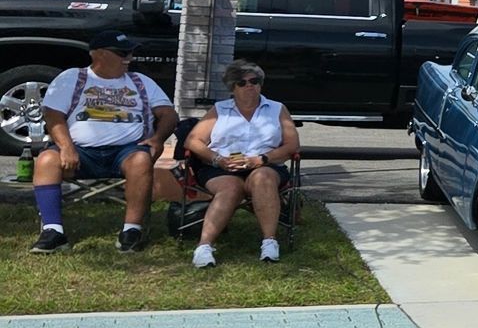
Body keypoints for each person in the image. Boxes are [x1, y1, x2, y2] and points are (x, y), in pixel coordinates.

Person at [30, 30, 177, 253]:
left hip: (126, 151)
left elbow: (169, 114)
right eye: (122, 52)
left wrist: (157, 139)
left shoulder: (141, 82)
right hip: (80, 152)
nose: (129, 58)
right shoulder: (72, 78)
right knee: (46, 159)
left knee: (140, 159)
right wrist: (67, 146)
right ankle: (53, 231)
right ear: (98, 54)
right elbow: (53, 116)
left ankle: (132, 230)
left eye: (130, 52)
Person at [181, 59, 300, 268]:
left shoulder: (277, 109)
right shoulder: (220, 109)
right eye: (242, 83)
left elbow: (292, 144)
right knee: (230, 188)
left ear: (261, 84)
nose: (249, 86)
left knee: (263, 178)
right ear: (232, 87)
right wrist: (218, 159)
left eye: (254, 81)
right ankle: (204, 247)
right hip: (222, 166)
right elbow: (192, 140)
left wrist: (261, 159)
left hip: (264, 164)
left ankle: (269, 242)